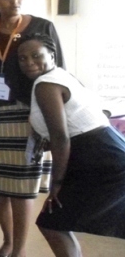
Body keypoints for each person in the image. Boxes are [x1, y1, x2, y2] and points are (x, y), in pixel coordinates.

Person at [0, 0, 64, 257]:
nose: (14, 1)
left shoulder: (41, 26)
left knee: (24, 187)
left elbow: (58, 73)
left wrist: (49, 124)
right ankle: (8, 241)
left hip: (31, 116)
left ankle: (20, 250)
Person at [17, 33, 125, 256]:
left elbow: (61, 137)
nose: (29, 62)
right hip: (106, 150)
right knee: (55, 222)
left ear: (52, 55)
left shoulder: (46, 84)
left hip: (99, 158)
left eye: (36, 55)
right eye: (22, 58)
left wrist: (56, 184)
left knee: (53, 221)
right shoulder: (62, 75)